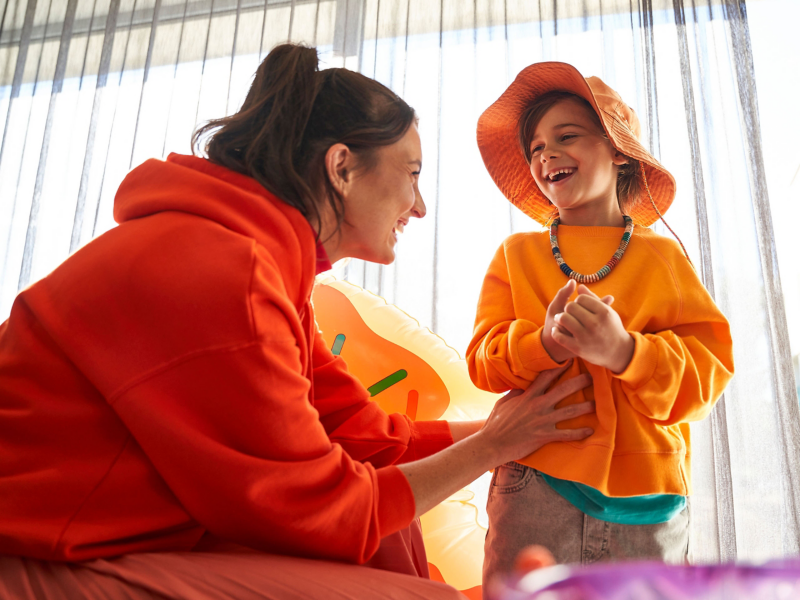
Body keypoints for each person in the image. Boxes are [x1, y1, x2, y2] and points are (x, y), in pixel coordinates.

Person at [0, 45, 597, 599]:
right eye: (412, 174)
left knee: (392, 530)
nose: (419, 206)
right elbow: (320, 512)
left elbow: (357, 434)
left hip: (100, 540)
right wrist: (495, 444)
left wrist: (517, 428)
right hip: (36, 556)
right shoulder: (218, 271)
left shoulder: (260, 265)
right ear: (341, 167)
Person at [467, 62, 735, 586]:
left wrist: (625, 353)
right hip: (536, 481)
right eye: (536, 148)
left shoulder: (663, 259)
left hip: (649, 499)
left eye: (566, 136)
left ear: (618, 151)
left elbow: (707, 374)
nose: (546, 155)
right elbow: (483, 361)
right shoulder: (515, 254)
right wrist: (543, 343)